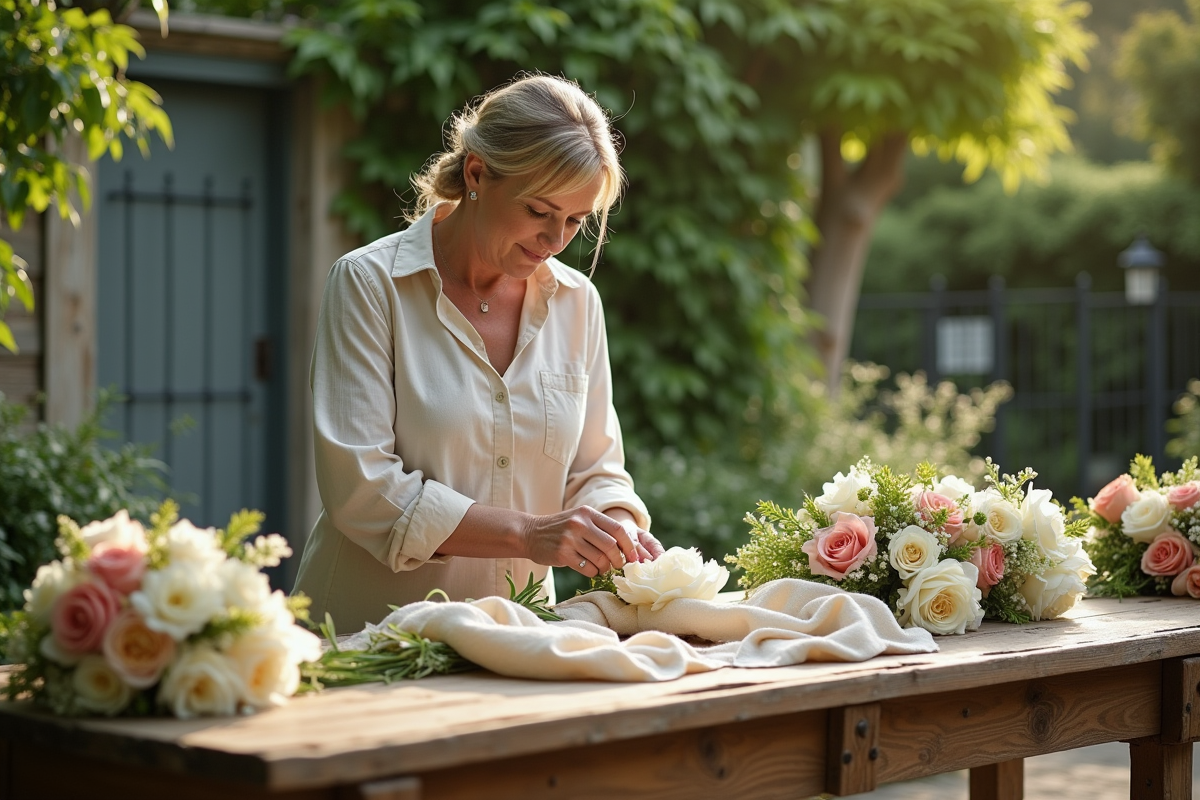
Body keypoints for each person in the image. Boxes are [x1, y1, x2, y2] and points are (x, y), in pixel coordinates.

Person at [293, 74, 663, 631]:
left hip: (520, 642)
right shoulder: (369, 284)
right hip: (369, 639)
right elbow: (361, 488)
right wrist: (528, 534)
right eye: (540, 211)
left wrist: (614, 524)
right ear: (476, 174)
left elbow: (595, 468)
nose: (556, 239)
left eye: (576, 220)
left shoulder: (578, 303)